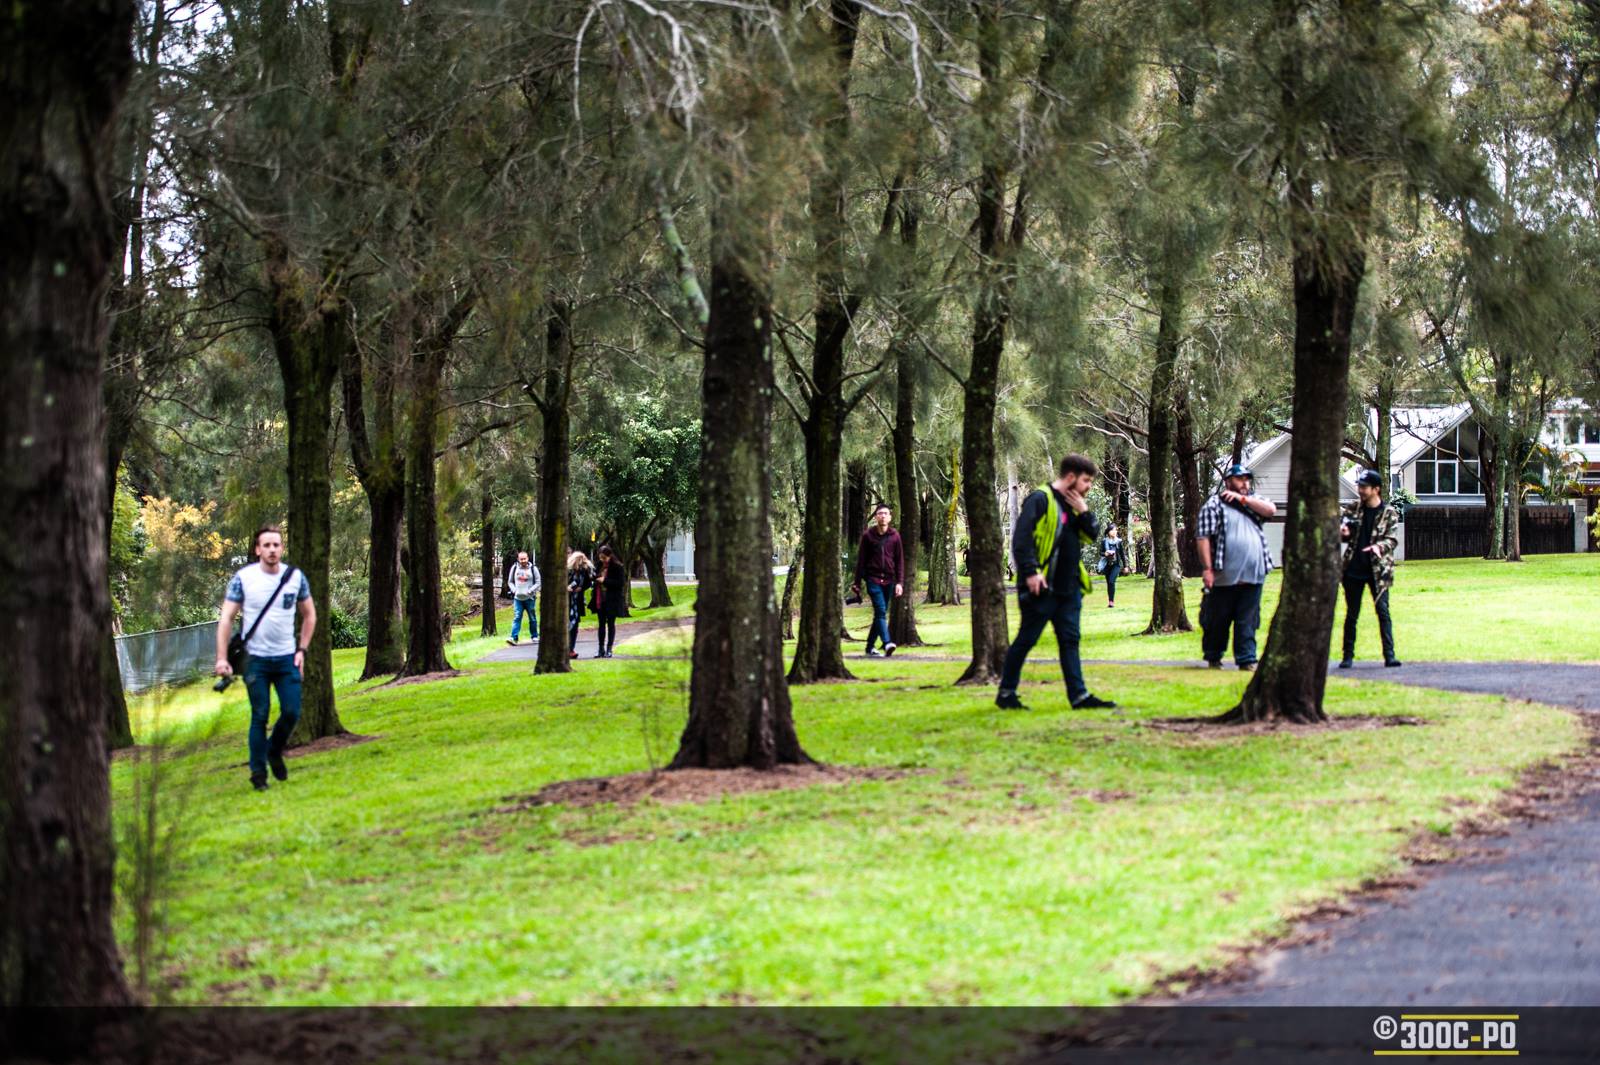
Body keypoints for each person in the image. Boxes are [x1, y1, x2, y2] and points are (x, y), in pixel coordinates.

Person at [996, 454, 1117, 711]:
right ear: (1071, 477)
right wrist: (1031, 572)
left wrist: (1084, 511)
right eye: (1086, 481)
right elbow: (1021, 539)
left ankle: (1079, 696)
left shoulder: (1074, 504)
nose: (1089, 487)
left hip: (1069, 589)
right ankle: (1006, 693)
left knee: (1070, 641)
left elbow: (1091, 535)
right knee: (1027, 639)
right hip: (1041, 587)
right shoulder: (1040, 499)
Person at [214, 525, 316, 792]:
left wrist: (302, 650)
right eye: (266, 545)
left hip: (286, 658)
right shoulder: (244, 578)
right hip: (255, 660)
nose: (272, 550)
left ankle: (274, 750)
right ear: (258, 549)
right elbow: (226, 618)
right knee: (260, 714)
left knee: (292, 711)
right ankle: (258, 774)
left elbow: (309, 614)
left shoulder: (295, 577)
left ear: (282, 548)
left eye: (276, 545)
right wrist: (222, 658)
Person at [1195, 463, 1277, 671]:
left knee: (1248, 620)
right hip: (1224, 575)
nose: (1245, 483)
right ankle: (1214, 657)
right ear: (1228, 482)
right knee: (1218, 620)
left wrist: (1243, 499)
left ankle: (1247, 659)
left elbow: (1271, 510)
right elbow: (1203, 538)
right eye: (1240, 479)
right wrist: (1207, 569)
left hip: (1254, 574)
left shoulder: (1253, 502)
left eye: (1247, 479)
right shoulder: (1214, 505)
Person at [1339, 469, 1402, 669]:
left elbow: (1392, 540)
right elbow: (1344, 535)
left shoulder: (1388, 513)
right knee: (1352, 614)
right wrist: (1343, 533)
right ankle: (1347, 657)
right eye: (1360, 486)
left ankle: (1389, 656)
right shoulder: (1353, 509)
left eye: (1365, 487)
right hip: (1353, 569)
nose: (1360, 490)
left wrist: (1378, 547)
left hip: (1378, 571)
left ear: (1376, 489)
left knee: (1383, 612)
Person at [852, 503, 905, 658]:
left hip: (889, 581)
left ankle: (869, 647)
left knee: (879, 614)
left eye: (885, 513)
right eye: (880, 513)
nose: (882, 516)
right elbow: (861, 561)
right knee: (881, 611)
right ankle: (887, 643)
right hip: (873, 579)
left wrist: (900, 582)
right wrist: (857, 583)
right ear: (875, 517)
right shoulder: (868, 536)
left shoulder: (895, 536)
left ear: (890, 517)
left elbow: (899, 561)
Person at [592, 544, 627, 658]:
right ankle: (600, 649)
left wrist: (605, 581)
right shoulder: (598, 565)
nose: (602, 560)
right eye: (600, 557)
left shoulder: (617, 567)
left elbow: (620, 583)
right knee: (601, 624)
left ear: (610, 556)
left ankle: (609, 648)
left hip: (612, 599)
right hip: (600, 599)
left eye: (604, 557)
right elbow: (593, 577)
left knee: (611, 624)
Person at [505, 549, 541, 646]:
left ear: (528, 558)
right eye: (521, 559)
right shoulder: (514, 568)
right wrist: (514, 590)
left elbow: (538, 582)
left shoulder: (533, 569)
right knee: (517, 617)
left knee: (532, 618)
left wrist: (530, 590)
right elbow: (510, 582)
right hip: (518, 598)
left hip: (530, 598)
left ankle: (534, 636)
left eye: (524, 559)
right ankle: (514, 637)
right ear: (518, 559)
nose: (523, 561)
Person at [566, 551, 593, 660]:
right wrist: (566, 588)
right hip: (567, 601)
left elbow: (588, 582)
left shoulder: (584, 572)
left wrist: (581, 588)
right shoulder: (568, 571)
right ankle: (566, 649)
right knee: (567, 626)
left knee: (574, 626)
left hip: (577, 602)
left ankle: (571, 649)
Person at [1099, 523, 1129, 607]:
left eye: (1115, 530)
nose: (1114, 531)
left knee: (1111, 581)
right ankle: (1110, 601)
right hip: (1107, 565)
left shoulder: (1119, 541)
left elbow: (1122, 554)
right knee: (1109, 583)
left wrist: (1125, 566)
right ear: (1108, 532)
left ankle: (1111, 601)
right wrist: (1105, 553)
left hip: (1116, 565)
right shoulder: (1104, 541)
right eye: (1112, 530)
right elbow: (1100, 552)